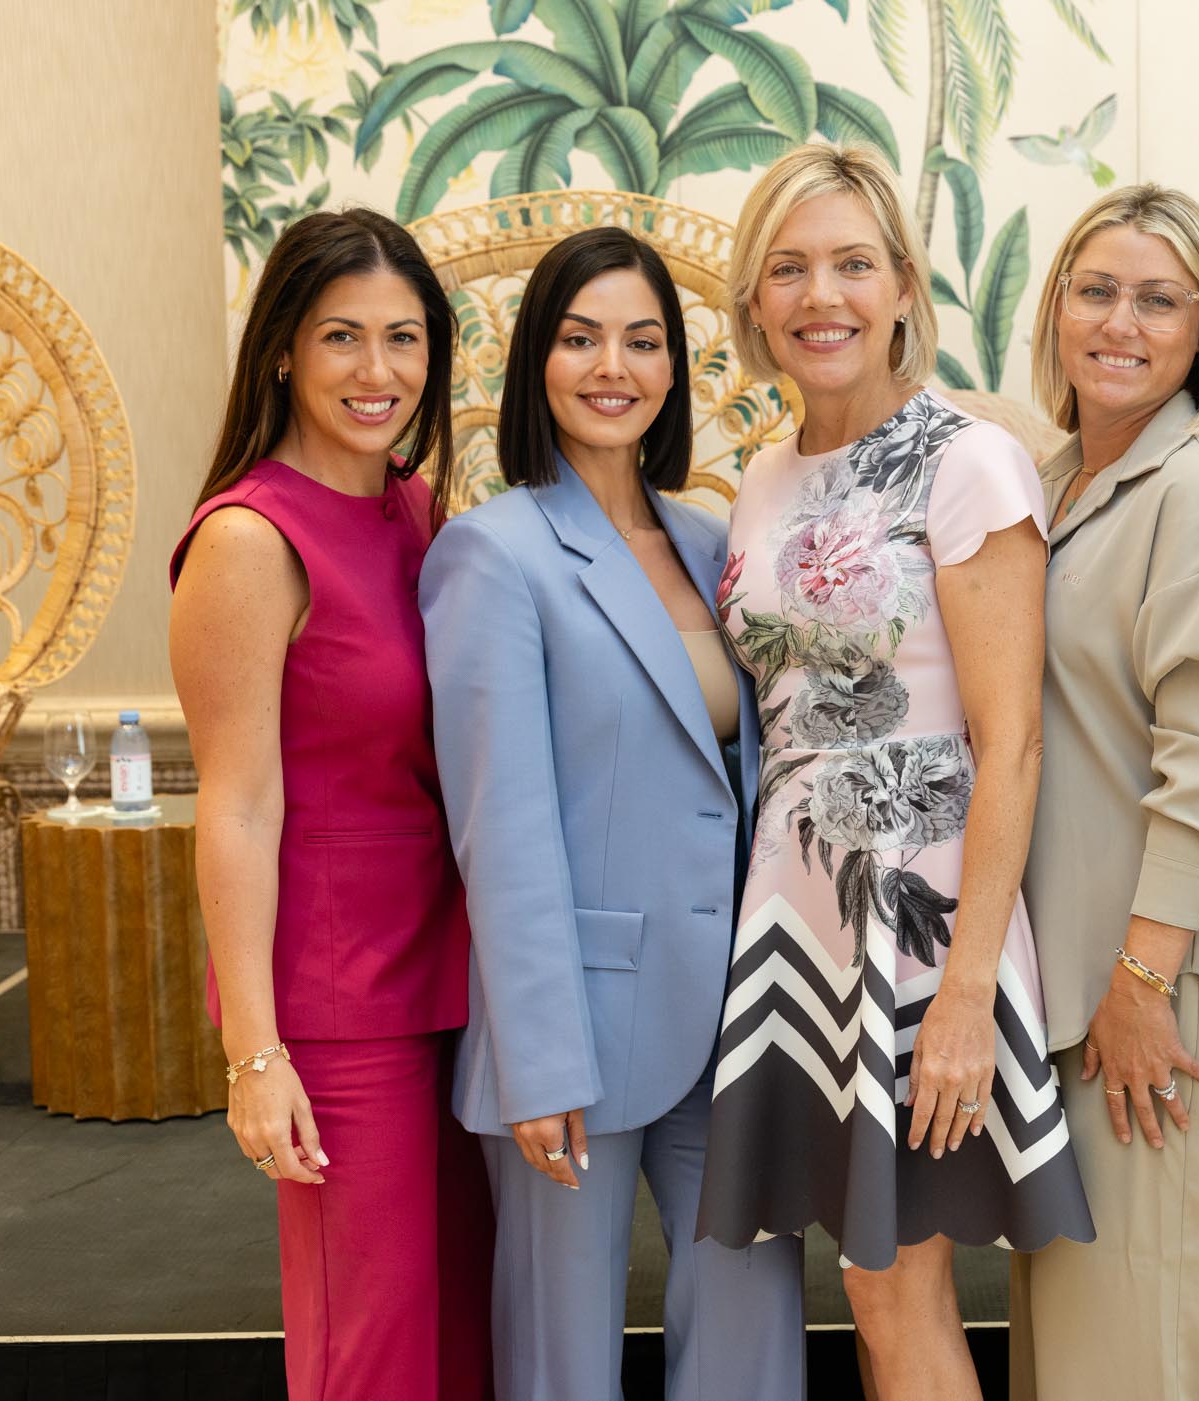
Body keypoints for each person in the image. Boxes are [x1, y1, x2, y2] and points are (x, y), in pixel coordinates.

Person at [694, 142, 1092, 1401]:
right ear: (755, 300)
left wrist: (969, 987)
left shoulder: (969, 462)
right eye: (790, 268)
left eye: (854, 265)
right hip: (799, 908)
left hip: (923, 920)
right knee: (868, 1281)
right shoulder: (764, 474)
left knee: (893, 1283)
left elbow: (1010, 743)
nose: (823, 296)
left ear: (905, 285)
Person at [419, 225, 805, 1401]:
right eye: (581, 338)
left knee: (752, 1344)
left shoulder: (712, 538)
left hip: (735, 1012)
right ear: (536, 358)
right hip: (574, 1027)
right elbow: (502, 828)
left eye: (642, 341)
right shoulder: (492, 554)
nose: (612, 367)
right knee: (562, 1367)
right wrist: (537, 1062)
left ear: (673, 368)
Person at [168, 208, 491, 1400]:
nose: (377, 370)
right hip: (340, 1006)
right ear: (282, 353)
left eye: (403, 337)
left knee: (462, 1334)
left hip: (452, 985)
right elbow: (237, 807)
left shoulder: (417, 511)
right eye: (341, 336)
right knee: (373, 1349)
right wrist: (255, 1054)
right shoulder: (249, 539)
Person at [1008, 184, 1199, 1401]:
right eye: (1097, 291)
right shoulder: (1058, 479)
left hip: (1152, 993)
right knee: (1071, 1358)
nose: (1121, 322)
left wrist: (1141, 983)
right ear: (1056, 312)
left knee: (1138, 1363)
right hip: (1072, 994)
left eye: (1158, 301)